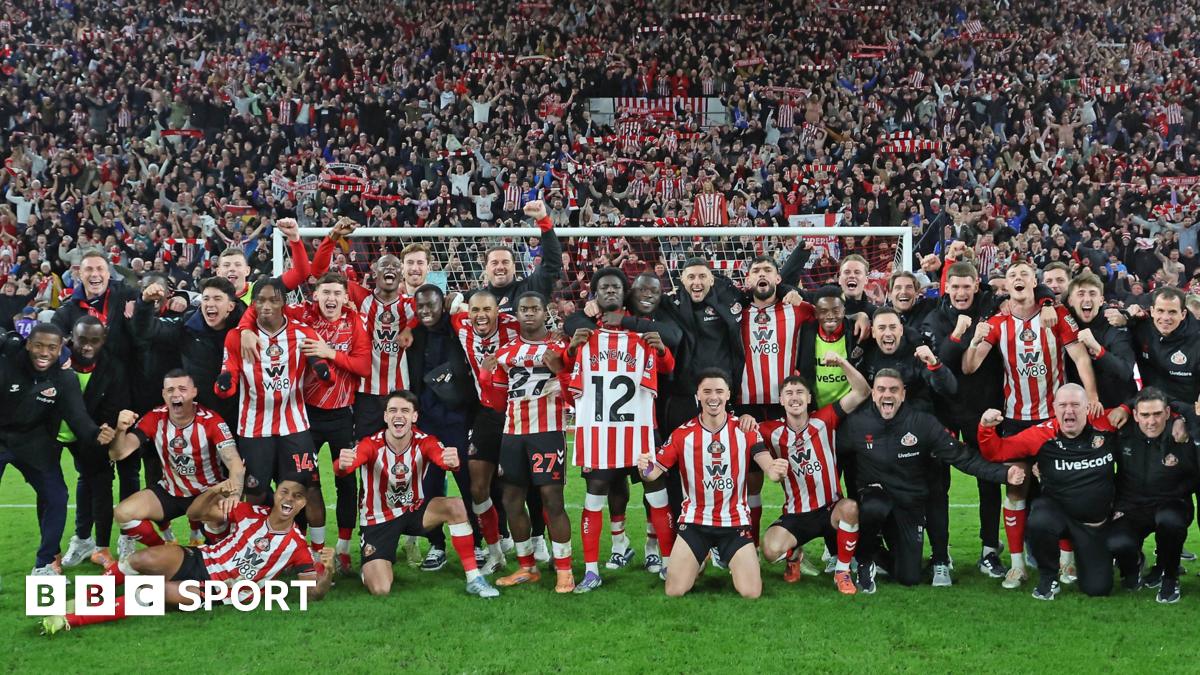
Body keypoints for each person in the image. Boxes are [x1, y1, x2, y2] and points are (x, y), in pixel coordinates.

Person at [41, 474, 334, 634]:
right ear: (276, 494)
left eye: (297, 497)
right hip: (201, 558)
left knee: (151, 592)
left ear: (302, 505)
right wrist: (215, 491)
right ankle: (86, 596)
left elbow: (312, 594)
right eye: (285, 492)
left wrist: (328, 571)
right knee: (139, 560)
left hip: (218, 589)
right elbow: (195, 513)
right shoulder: (248, 512)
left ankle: (70, 620)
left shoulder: (297, 546)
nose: (289, 499)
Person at [962, 260, 1101, 589]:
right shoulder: (997, 323)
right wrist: (973, 341)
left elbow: (1080, 357)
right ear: (1006, 286)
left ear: (1034, 282)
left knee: (1061, 484)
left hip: (1054, 418)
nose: (1018, 278)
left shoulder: (1056, 315)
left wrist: (1092, 396)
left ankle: (1066, 561)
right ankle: (1017, 565)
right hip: (1016, 419)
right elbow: (969, 367)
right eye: (1012, 275)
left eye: (1024, 274)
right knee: (1016, 485)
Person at [837, 369, 1024, 593]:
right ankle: (864, 559)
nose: (887, 395)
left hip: (908, 505)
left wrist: (1003, 474)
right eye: (881, 389)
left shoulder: (922, 423)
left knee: (908, 577)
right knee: (874, 505)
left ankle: (877, 556)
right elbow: (833, 454)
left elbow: (962, 457)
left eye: (894, 390)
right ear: (874, 394)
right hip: (876, 499)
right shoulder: (857, 424)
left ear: (903, 394)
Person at [237, 271, 369, 572]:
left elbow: (363, 366)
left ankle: (343, 549)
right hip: (304, 414)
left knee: (346, 481)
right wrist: (245, 328)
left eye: (337, 293)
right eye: (326, 293)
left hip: (342, 413)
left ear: (345, 297)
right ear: (316, 295)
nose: (331, 298)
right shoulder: (302, 314)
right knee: (302, 483)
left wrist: (328, 353)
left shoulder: (355, 321)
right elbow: (264, 306)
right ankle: (296, 547)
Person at [564, 267, 676, 593]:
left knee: (656, 493)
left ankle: (665, 559)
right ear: (594, 294)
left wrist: (661, 350)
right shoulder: (585, 334)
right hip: (599, 432)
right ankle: (592, 569)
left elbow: (668, 365)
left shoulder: (641, 331)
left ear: (623, 293)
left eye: (615, 286)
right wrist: (571, 350)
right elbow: (564, 367)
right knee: (595, 496)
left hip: (640, 430)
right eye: (604, 287)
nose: (610, 291)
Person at [334, 390, 499, 598]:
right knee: (381, 589)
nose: (398, 415)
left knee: (455, 505)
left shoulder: (425, 441)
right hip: (379, 520)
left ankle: (474, 579)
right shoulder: (370, 444)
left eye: (405, 410)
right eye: (393, 410)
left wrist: (452, 462)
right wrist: (342, 465)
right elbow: (344, 467)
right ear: (385, 416)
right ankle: (371, 567)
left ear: (414, 416)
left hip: (414, 511)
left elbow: (440, 457)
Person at [638, 368, 784, 598]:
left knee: (751, 593)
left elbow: (766, 464)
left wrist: (775, 470)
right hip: (695, 522)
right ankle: (700, 557)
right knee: (675, 591)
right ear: (698, 394)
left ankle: (717, 557)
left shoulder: (744, 430)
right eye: (706, 391)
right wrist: (644, 467)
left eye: (718, 391)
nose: (713, 397)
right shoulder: (682, 434)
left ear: (728, 394)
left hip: (734, 523)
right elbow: (652, 474)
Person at [977, 384, 1120, 600]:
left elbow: (1143, 413)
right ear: (1054, 408)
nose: (1069, 411)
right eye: (1063, 405)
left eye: (1075, 405)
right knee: (1039, 518)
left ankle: (1119, 564)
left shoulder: (1106, 424)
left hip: (1093, 525)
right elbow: (997, 451)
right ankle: (1048, 577)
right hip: (1058, 516)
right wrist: (986, 428)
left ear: (1087, 408)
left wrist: (1126, 408)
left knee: (1098, 588)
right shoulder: (1041, 434)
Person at [216, 278, 331, 529]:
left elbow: (322, 370)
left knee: (307, 489)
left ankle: (317, 549)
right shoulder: (237, 337)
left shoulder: (302, 333)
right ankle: (257, 542)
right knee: (255, 492)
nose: (266, 306)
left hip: (295, 426)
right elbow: (229, 374)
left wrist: (322, 371)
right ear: (253, 305)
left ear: (284, 302)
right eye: (260, 300)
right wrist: (224, 384)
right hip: (254, 428)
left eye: (273, 300)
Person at [0, 323, 114, 577]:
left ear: (61, 348)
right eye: (38, 345)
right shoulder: (6, 362)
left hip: (32, 441)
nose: (44, 352)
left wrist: (97, 434)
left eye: (52, 347)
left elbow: (78, 417)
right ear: (28, 344)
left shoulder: (64, 378)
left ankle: (45, 564)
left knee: (56, 496)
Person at [483, 292, 575, 592]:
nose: (529, 313)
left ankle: (564, 569)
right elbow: (498, 401)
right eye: (524, 309)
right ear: (518, 314)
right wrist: (486, 376)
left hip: (547, 432)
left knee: (552, 499)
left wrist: (561, 371)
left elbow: (577, 394)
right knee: (511, 499)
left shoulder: (561, 347)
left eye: (535, 308)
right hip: (512, 434)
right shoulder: (505, 352)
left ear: (545, 312)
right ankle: (527, 567)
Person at [759, 357, 870, 594]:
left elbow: (862, 391)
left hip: (829, 509)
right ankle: (794, 555)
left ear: (809, 398)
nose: (795, 397)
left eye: (800, 392)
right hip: (796, 515)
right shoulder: (770, 430)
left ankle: (842, 572)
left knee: (851, 508)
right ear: (781, 400)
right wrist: (745, 420)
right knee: (769, 551)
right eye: (789, 393)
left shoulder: (825, 419)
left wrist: (841, 363)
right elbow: (739, 431)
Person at [107, 370, 244, 554]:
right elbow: (118, 453)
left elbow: (234, 462)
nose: (176, 394)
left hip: (207, 492)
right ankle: (165, 552)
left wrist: (235, 495)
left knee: (222, 516)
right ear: (164, 394)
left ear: (194, 392)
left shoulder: (211, 421)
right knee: (123, 513)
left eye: (182, 389)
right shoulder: (155, 417)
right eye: (170, 390)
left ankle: (217, 556)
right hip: (170, 491)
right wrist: (120, 430)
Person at [311, 217, 416, 439]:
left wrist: (411, 326)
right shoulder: (359, 297)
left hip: (400, 390)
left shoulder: (411, 306)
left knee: (399, 450)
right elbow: (319, 272)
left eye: (395, 266)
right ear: (374, 272)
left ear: (401, 274)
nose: (390, 269)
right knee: (365, 448)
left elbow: (441, 305)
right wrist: (333, 236)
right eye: (384, 266)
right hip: (365, 392)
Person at [407, 283, 480, 573]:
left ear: (443, 305)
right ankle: (436, 545)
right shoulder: (413, 334)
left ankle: (477, 542)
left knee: (468, 484)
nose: (425, 311)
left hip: (459, 421)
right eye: (420, 306)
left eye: (431, 305)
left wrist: (460, 300)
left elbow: (480, 304)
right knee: (429, 487)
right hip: (426, 423)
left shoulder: (457, 328)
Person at [1105, 388, 1198, 603]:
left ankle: (1169, 576)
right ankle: (1134, 565)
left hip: (1171, 502)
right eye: (1145, 415)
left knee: (1170, 521)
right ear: (1135, 415)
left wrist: (1181, 493)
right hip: (1132, 506)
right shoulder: (1122, 434)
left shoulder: (1182, 435)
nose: (1151, 421)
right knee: (1116, 542)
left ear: (1167, 413)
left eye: (1157, 414)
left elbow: (1195, 472)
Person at [59, 316, 131, 569]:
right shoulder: (58, 360)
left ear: (104, 340)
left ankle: (100, 547)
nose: (87, 346)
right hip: (53, 435)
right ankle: (66, 548)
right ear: (72, 337)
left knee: (99, 485)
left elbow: (114, 404)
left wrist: (103, 431)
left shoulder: (112, 367)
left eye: (94, 340)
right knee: (54, 493)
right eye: (82, 340)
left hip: (93, 434)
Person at [131, 276, 246, 435]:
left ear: (231, 306)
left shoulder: (247, 330)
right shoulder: (187, 325)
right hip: (200, 419)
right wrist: (144, 303)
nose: (210, 304)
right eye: (206, 298)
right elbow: (146, 330)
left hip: (241, 416)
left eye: (217, 299)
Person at [467, 200, 562, 313]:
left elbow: (551, 265)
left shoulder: (529, 288)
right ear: (486, 268)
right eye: (494, 263)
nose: (500, 267)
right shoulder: (474, 298)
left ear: (514, 267)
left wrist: (542, 219)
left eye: (505, 262)